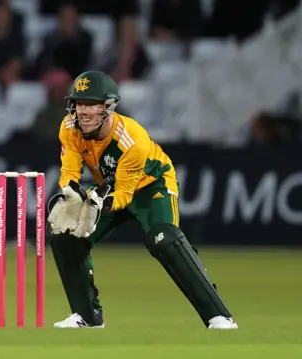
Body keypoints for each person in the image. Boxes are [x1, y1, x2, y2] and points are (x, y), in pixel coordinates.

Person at [46, 70, 238, 330]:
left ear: (108, 107)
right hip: (108, 187)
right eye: (79, 103)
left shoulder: (132, 139)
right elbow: (69, 173)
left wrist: (97, 204)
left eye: (92, 104)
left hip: (151, 184)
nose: (84, 111)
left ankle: (219, 317)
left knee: (163, 239)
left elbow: (125, 195)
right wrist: (70, 195)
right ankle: (87, 316)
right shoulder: (69, 128)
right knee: (65, 235)